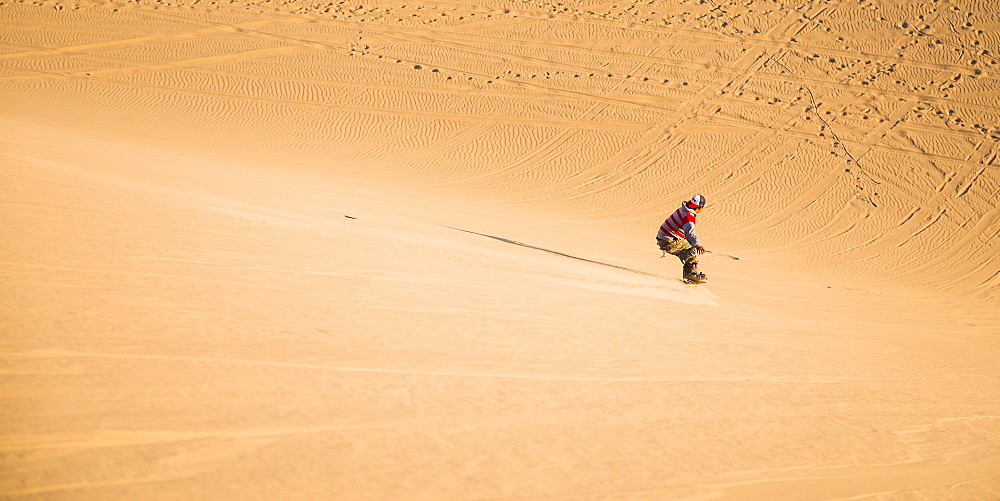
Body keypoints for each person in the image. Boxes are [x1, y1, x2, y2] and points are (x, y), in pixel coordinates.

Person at [656, 194, 708, 283]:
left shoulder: (683, 209)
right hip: (668, 240)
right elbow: (689, 233)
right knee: (691, 250)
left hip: (664, 238)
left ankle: (690, 272)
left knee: (687, 249)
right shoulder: (689, 216)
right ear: (700, 207)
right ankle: (690, 275)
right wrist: (698, 245)